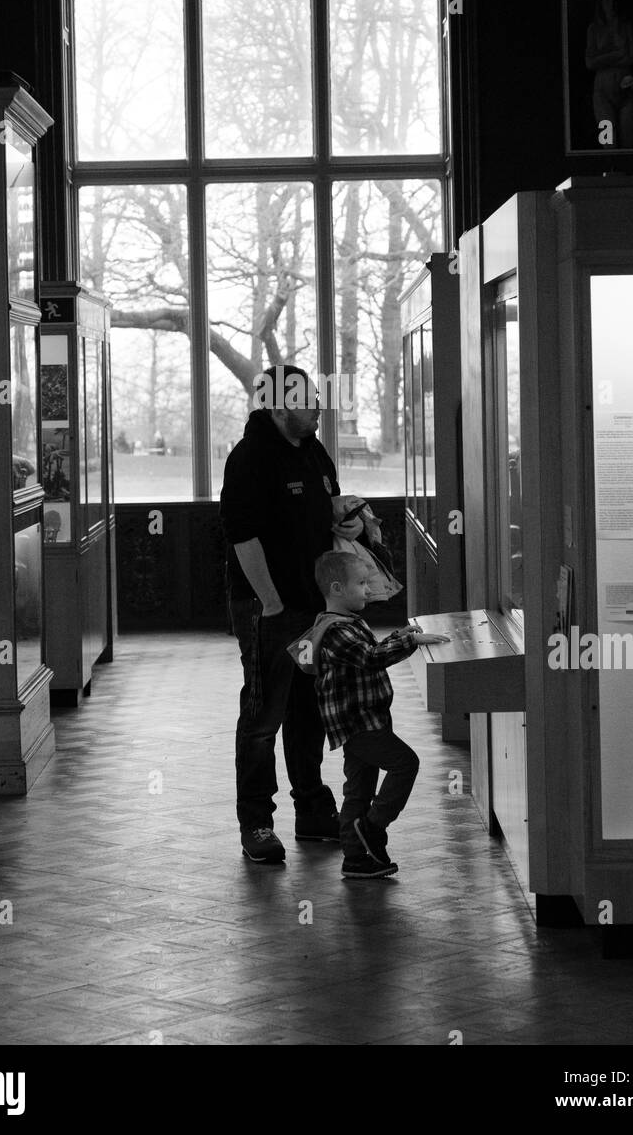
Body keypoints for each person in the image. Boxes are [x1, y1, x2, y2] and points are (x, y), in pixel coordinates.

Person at [220, 364, 341, 864]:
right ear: (278, 405)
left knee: (307, 710)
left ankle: (312, 811)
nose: (317, 406)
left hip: (312, 607)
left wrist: (355, 520)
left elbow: (330, 506)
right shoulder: (249, 458)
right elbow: (242, 537)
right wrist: (270, 603)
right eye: (307, 399)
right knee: (263, 714)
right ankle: (257, 824)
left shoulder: (312, 449)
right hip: (265, 607)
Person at [291, 551, 449, 879]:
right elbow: (371, 657)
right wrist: (412, 642)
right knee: (406, 763)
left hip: (366, 721)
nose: (367, 589)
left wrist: (403, 637)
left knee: (358, 791)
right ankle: (373, 827)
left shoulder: (348, 623)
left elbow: (371, 651)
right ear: (336, 588)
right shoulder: (336, 631)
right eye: (361, 583)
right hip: (358, 724)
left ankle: (355, 858)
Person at [585, 0, 633, 148]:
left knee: (630, 140)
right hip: (603, 93)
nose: (612, 4)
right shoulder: (594, 29)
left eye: (615, 0)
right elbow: (590, 62)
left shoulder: (625, 26)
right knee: (608, 142)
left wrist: (603, 58)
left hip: (627, 89)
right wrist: (618, 54)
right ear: (601, 2)